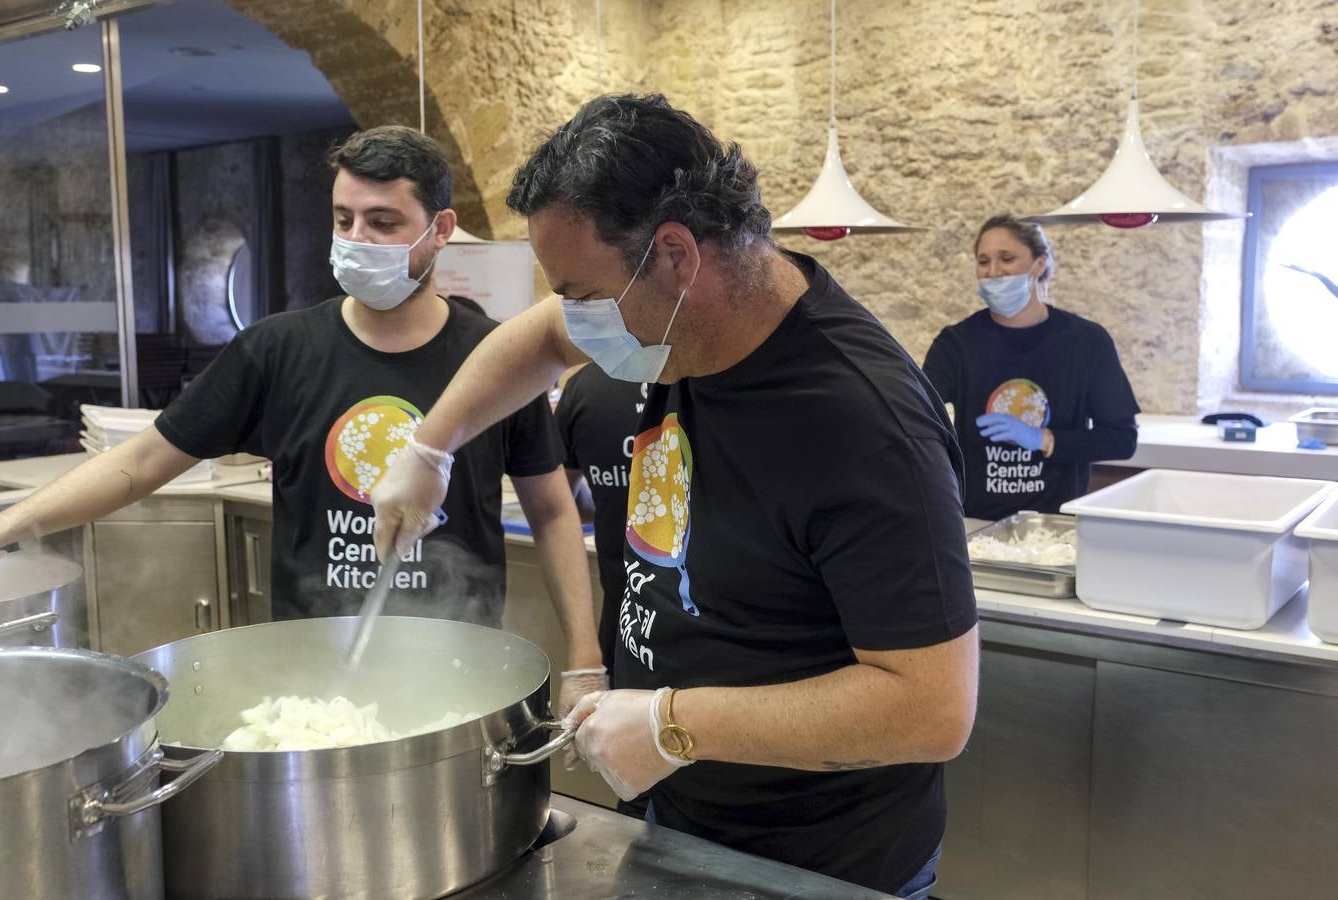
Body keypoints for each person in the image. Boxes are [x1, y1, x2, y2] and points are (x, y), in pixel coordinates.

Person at [370, 94, 979, 899]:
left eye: (582, 291)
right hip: (686, 817)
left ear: (676, 255)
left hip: (825, 862)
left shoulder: (862, 424)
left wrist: (672, 724)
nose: (574, 320)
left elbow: (933, 710)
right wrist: (431, 444)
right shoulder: (668, 324)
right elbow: (543, 334)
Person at [0, 126, 602, 688]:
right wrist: (6, 526)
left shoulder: (495, 359)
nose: (357, 240)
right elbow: (144, 460)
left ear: (440, 230)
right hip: (312, 666)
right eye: (344, 219)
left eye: (383, 223)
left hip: (458, 662)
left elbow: (551, 512)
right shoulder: (276, 350)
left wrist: (583, 657)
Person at [922, 215, 1140, 521]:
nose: (993, 271)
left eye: (1007, 258)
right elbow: (914, 417)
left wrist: (1044, 440)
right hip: (975, 523)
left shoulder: (1086, 342)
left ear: (1039, 264)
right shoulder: (956, 343)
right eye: (983, 261)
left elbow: (1122, 439)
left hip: (1056, 525)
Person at [554, 361, 652, 818]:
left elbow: (566, 502)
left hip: (630, 630)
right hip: (704, 639)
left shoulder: (586, 387)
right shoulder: (721, 382)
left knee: (637, 794)